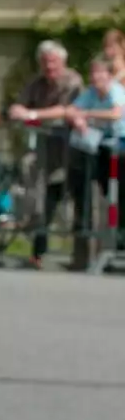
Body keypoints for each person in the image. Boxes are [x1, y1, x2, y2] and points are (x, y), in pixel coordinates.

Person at [7, 40, 84, 268]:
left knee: (80, 202)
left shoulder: (73, 82)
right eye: (45, 62)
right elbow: (17, 107)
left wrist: (31, 114)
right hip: (46, 152)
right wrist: (19, 110)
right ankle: (38, 252)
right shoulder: (37, 83)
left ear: (63, 62)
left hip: (73, 152)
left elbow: (65, 110)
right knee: (45, 200)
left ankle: (81, 255)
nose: (49, 67)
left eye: (53, 62)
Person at [58, 54, 125, 266]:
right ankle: (90, 250)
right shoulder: (90, 94)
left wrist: (86, 114)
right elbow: (70, 110)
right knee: (95, 193)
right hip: (102, 149)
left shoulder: (115, 91)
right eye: (93, 73)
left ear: (109, 75)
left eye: (100, 73)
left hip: (120, 148)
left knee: (119, 197)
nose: (96, 77)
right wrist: (77, 119)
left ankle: (118, 245)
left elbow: (115, 114)